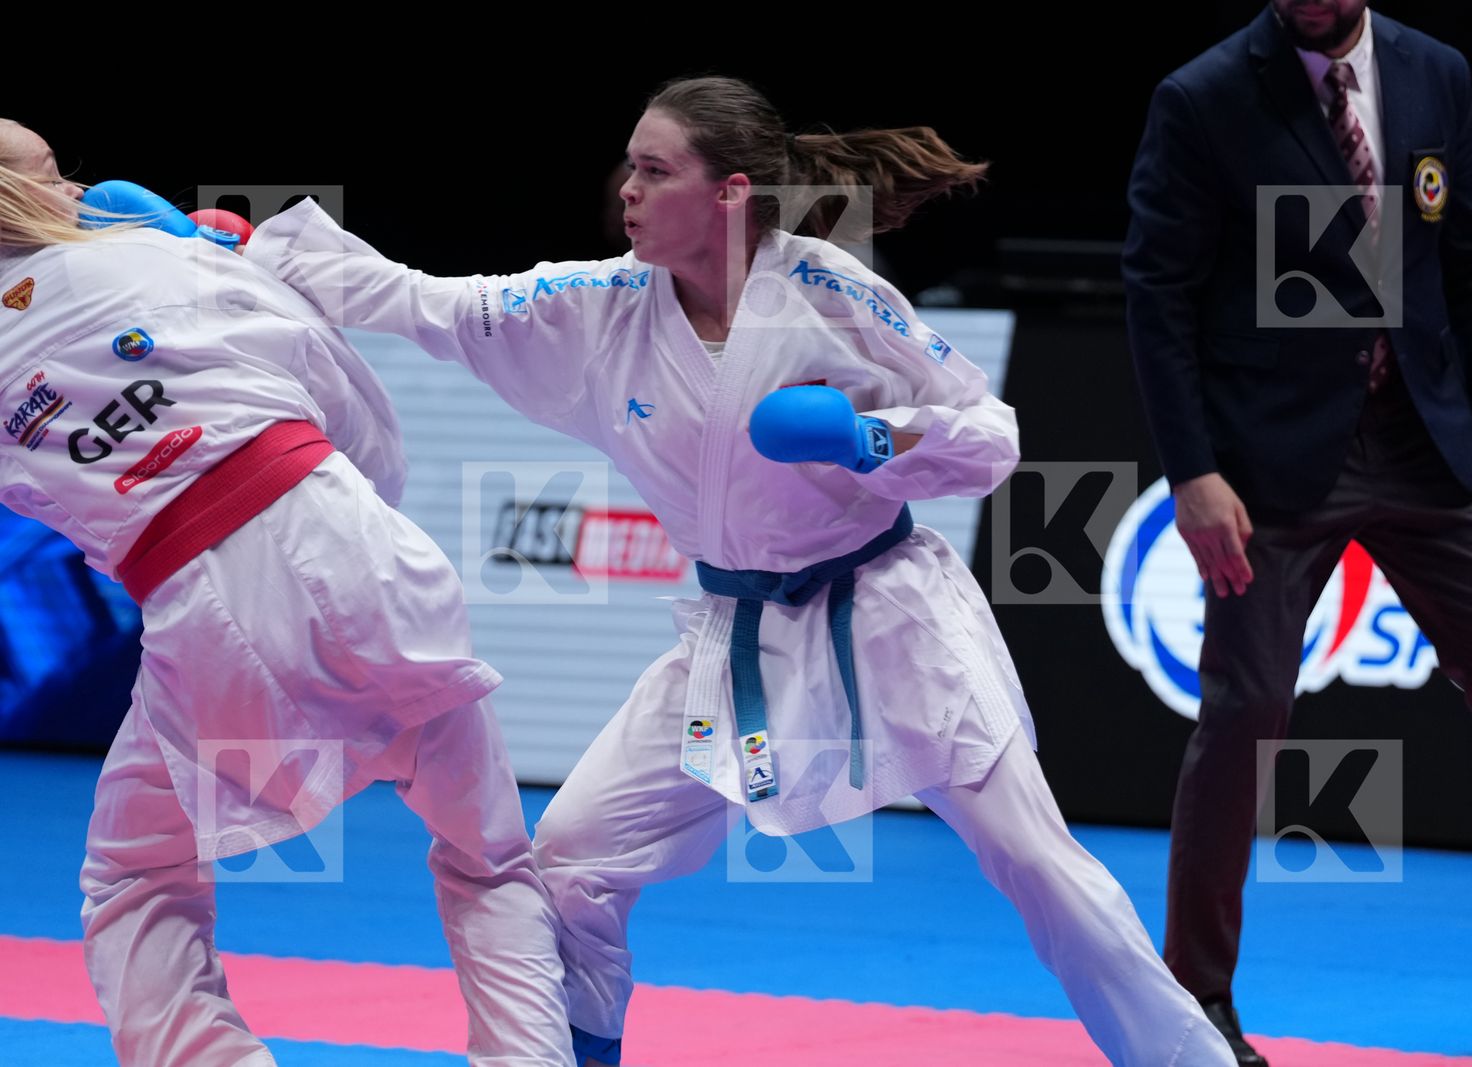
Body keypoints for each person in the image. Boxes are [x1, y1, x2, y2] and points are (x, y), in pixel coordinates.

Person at [245, 75, 1235, 1067]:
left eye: (653, 169)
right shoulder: (594, 307)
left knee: (1034, 858)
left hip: (892, 617)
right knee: (573, 856)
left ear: (727, 194)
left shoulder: (832, 294)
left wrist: (869, 436)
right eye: (628, 166)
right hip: (734, 640)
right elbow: (420, 300)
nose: (625, 189)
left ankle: (1192, 1058)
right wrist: (247, 252)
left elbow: (986, 435)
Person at [0, 119, 574, 1067]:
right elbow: (349, 402)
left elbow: (41, 500)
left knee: (136, 879)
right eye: (56, 176)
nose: (81, 189)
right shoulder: (154, 252)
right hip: (357, 550)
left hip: (202, 607)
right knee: (489, 853)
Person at [1122, 3, 1472, 1063]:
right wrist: (1192, 472)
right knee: (1243, 717)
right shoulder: (1202, 95)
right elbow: (1156, 292)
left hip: (1426, 441)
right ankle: (1192, 998)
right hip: (1274, 460)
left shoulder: (1435, 72)